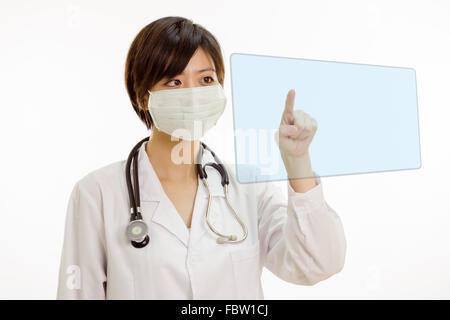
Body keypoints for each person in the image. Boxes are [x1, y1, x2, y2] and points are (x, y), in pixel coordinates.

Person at [56, 16, 346, 300]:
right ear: (143, 96)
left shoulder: (248, 188)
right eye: (174, 81)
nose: (193, 95)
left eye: (206, 79)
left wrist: (298, 162)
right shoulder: (97, 193)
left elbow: (317, 264)